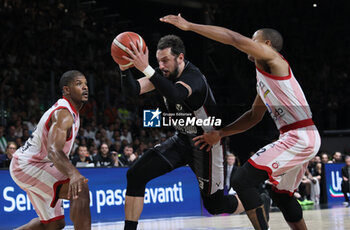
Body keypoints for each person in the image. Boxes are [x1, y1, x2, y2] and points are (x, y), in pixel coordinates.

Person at [161, 14, 321, 230]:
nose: (248, 42)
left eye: (253, 39)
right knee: (281, 195)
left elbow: (233, 38)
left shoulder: (273, 58)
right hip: (300, 136)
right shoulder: (263, 78)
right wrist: (221, 133)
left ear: (266, 45)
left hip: (299, 136)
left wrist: (189, 26)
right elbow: (253, 117)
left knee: (241, 180)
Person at [118, 34, 244, 230]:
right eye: (158, 61)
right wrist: (124, 67)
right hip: (182, 141)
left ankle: (255, 199)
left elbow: (176, 94)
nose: (161, 65)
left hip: (206, 145)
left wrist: (146, 68)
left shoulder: (194, 77)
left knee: (215, 205)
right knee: (135, 174)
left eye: (165, 60)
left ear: (180, 58)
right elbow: (133, 89)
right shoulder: (164, 75)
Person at [9, 70, 91, 229]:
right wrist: (73, 174)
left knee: (54, 224)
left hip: (34, 164)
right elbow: (54, 151)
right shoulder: (63, 114)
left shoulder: (72, 112)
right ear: (66, 90)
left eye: (86, 84)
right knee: (80, 189)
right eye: (79, 84)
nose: (85, 87)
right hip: (29, 166)